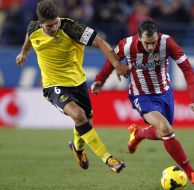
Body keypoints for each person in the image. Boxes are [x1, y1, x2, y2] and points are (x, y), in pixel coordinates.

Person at [16, 0, 130, 173]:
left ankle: (77, 149)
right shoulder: (33, 28)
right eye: (49, 26)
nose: (53, 28)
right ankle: (108, 159)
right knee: (79, 116)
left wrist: (117, 65)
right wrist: (24, 52)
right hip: (52, 85)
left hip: (78, 83)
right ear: (40, 24)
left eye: (56, 23)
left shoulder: (71, 28)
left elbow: (100, 42)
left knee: (85, 124)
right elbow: (29, 37)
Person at [91, 19, 194, 187]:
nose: (151, 47)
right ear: (139, 37)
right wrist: (99, 80)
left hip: (165, 93)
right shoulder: (127, 44)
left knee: (163, 133)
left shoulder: (167, 43)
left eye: (153, 43)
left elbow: (187, 68)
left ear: (158, 37)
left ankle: (137, 135)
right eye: (147, 43)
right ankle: (192, 174)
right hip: (141, 95)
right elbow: (112, 61)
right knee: (165, 128)